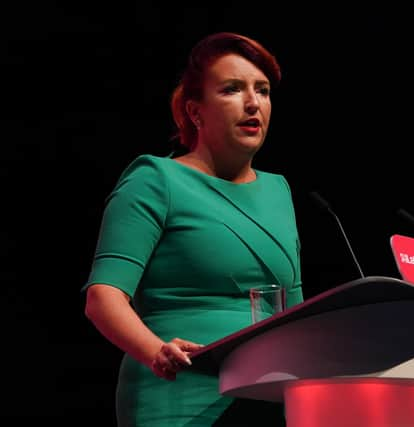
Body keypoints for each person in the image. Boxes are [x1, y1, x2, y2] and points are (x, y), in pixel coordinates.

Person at [82, 32, 303, 426]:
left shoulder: (278, 189)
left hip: (268, 396)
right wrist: (154, 350)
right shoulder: (156, 179)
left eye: (263, 91)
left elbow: (298, 311)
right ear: (195, 112)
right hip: (180, 391)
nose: (253, 103)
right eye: (232, 89)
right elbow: (104, 297)